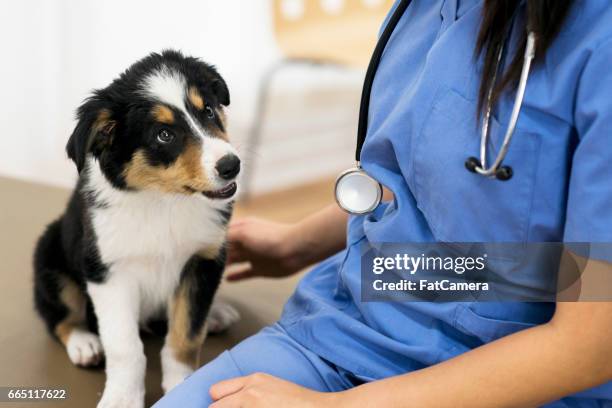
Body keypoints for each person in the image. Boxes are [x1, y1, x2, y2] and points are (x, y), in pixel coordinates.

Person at [155, 0, 612, 406]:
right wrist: (297, 244)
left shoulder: (599, 40)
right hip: (344, 328)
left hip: (512, 377)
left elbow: (590, 345)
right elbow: (417, 182)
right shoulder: (422, 10)